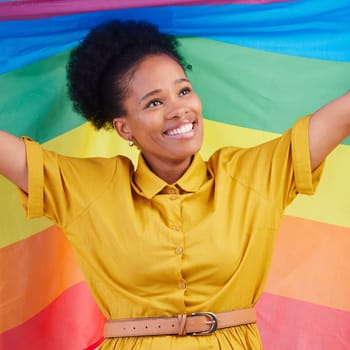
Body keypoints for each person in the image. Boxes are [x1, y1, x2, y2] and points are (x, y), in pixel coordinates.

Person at [0, 19, 349, 350]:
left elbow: (341, 115)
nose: (179, 109)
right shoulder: (90, 189)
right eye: (154, 102)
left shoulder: (251, 175)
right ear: (124, 129)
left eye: (183, 91)